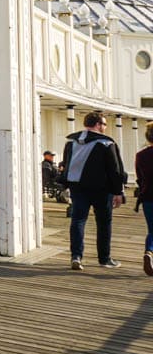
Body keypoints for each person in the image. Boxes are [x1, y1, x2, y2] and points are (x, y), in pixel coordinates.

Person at [62, 112, 126, 270]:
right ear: (98, 125)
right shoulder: (106, 143)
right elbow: (115, 170)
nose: (105, 127)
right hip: (102, 190)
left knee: (78, 220)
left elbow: (66, 163)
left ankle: (76, 256)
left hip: (77, 187)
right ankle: (104, 259)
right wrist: (119, 192)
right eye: (104, 124)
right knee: (104, 223)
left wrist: (66, 186)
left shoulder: (71, 141)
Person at [135, 123, 153, 276]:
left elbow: (140, 178)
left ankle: (149, 251)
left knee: (152, 230)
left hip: (148, 196)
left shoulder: (141, 155)